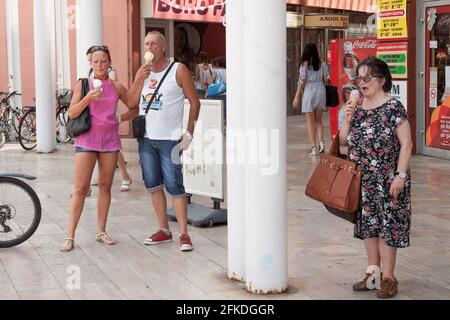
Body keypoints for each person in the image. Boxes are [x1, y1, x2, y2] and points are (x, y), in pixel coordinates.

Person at [60, 46, 148, 252]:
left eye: (103, 61)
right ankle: (69, 236)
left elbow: (133, 104)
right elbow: (72, 113)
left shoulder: (116, 86)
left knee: (105, 187)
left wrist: (138, 80)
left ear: (109, 63)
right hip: (86, 141)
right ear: (90, 63)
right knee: (80, 189)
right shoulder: (83, 84)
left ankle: (101, 232)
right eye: (96, 61)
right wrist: (88, 98)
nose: (100, 65)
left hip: (109, 142)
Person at [338, 57, 413, 298]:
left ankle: (389, 278)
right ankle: (372, 275)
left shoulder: (394, 108)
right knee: (369, 228)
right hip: (364, 180)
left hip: (389, 180)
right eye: (359, 78)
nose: (361, 83)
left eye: (367, 78)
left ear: (381, 80)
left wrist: (400, 176)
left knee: (388, 228)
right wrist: (347, 118)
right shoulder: (357, 108)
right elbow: (342, 144)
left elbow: (407, 144)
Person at [121, 31, 200, 252]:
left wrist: (189, 132)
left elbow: (195, 103)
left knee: (175, 185)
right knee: (153, 184)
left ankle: (184, 234)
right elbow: (130, 102)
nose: (150, 47)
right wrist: (138, 79)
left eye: (154, 43)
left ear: (163, 47)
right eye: (147, 43)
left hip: (170, 140)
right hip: (146, 139)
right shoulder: (142, 73)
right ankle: (164, 230)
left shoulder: (179, 70)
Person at [87, 46, 132, 192]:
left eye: (102, 61)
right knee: (95, 150)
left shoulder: (110, 72)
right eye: (92, 60)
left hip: (110, 113)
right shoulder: (90, 74)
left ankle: (125, 175)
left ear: (108, 61)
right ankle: (85, 185)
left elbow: (110, 86)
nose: (97, 64)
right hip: (94, 116)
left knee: (113, 147)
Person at [292, 42, 329, 156]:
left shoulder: (305, 65)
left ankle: (313, 148)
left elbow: (301, 81)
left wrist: (297, 96)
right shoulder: (322, 63)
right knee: (319, 120)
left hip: (309, 91)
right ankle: (321, 143)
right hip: (321, 90)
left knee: (310, 122)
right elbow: (327, 78)